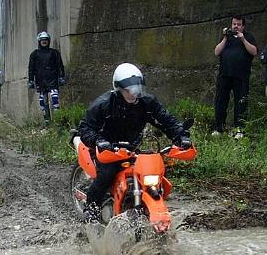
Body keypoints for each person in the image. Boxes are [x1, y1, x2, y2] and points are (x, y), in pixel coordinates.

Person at [77, 63, 191, 223]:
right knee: (106, 175)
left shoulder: (147, 102)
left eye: (136, 88)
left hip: (132, 148)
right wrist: (99, 141)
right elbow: (85, 128)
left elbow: (166, 120)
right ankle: (91, 211)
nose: (133, 92)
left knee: (153, 174)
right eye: (128, 89)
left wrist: (181, 136)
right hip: (107, 149)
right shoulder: (104, 104)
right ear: (118, 89)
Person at [212, 14, 258, 139]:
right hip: (225, 75)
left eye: (238, 24)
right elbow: (217, 52)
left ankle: (240, 129)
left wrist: (243, 39)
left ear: (243, 26)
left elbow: (254, 51)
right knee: (221, 101)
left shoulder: (248, 37)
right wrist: (225, 38)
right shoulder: (227, 37)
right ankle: (219, 128)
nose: (236, 26)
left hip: (241, 76)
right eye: (234, 24)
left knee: (241, 103)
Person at [27, 31, 66, 123]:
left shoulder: (54, 53)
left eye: (46, 40)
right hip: (40, 81)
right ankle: (47, 122)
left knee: (55, 101)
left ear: (49, 41)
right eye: (42, 40)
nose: (44, 42)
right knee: (43, 103)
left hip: (53, 80)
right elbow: (31, 68)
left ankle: (58, 121)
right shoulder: (34, 54)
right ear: (39, 41)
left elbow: (60, 65)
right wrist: (31, 80)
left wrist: (61, 77)